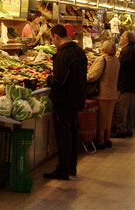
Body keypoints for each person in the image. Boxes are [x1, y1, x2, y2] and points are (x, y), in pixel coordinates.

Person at [44, 24, 87, 180]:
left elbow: (59, 81)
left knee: (63, 136)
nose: (52, 42)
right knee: (73, 134)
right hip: (76, 100)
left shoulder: (63, 55)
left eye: (52, 38)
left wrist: (49, 79)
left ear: (56, 36)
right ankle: (71, 167)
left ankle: (63, 170)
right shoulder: (79, 52)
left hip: (64, 102)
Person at [87, 40, 120, 149]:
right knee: (108, 118)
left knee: (101, 119)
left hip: (102, 93)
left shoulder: (102, 60)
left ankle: (101, 141)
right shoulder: (116, 60)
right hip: (112, 93)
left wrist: (83, 76)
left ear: (104, 49)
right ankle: (107, 139)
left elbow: (93, 76)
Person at [114, 31, 135, 138]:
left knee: (122, 108)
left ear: (127, 40)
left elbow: (122, 65)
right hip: (130, 83)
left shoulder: (128, 50)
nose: (120, 37)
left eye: (123, 36)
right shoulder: (132, 49)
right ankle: (128, 128)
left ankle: (121, 130)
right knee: (129, 108)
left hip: (125, 84)